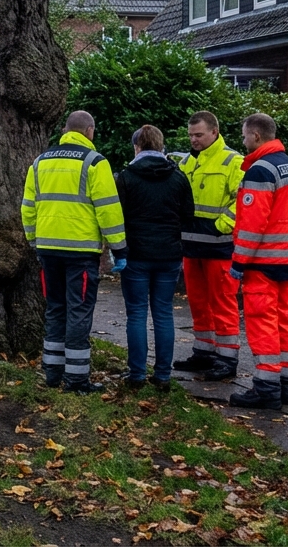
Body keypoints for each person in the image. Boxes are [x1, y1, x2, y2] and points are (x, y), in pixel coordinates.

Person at [21, 110, 127, 393]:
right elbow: (108, 209)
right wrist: (119, 247)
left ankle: (53, 373)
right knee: (79, 311)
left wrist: (33, 239)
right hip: (80, 251)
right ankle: (77, 379)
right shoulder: (95, 162)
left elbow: (28, 206)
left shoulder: (39, 162)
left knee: (55, 308)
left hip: (47, 249)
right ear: (89, 131)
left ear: (65, 130)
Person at [228, 112, 288, 410]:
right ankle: (286, 386)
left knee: (262, 322)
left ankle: (266, 388)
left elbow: (252, 224)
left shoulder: (260, 170)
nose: (243, 140)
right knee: (282, 320)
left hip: (261, 263)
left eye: (245, 135)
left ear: (256, 136)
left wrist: (238, 263)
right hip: (287, 259)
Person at [114, 125, 194, 391]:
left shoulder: (126, 177)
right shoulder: (178, 178)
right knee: (163, 313)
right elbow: (188, 215)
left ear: (137, 147)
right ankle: (163, 375)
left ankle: (136, 374)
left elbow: (118, 216)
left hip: (136, 254)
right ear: (162, 147)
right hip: (169, 254)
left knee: (136, 314)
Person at [171, 111, 246, 381]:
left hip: (218, 247)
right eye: (191, 135)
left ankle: (227, 358)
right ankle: (204, 352)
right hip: (192, 247)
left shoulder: (233, 161)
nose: (193, 140)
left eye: (199, 135)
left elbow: (244, 199)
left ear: (214, 132)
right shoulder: (189, 162)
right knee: (198, 302)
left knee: (222, 302)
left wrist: (221, 225)